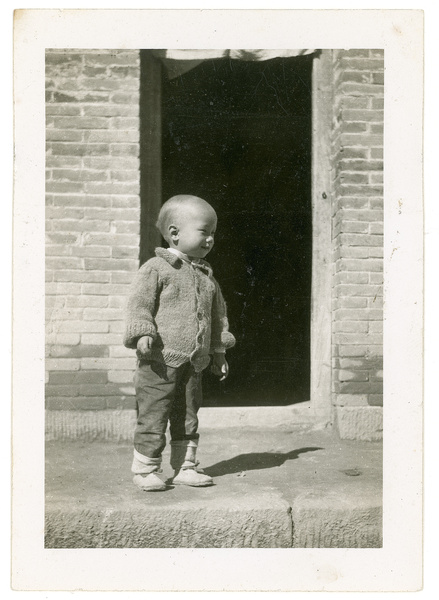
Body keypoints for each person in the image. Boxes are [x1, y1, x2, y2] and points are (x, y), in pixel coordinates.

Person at [123, 195, 236, 491]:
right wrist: (143, 332)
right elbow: (140, 304)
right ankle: (145, 468)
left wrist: (219, 351)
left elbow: (217, 316)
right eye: (204, 231)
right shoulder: (156, 269)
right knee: (154, 413)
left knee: (188, 417)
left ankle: (185, 467)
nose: (210, 239)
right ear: (174, 233)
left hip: (193, 362)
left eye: (213, 233)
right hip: (159, 362)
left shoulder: (206, 276)